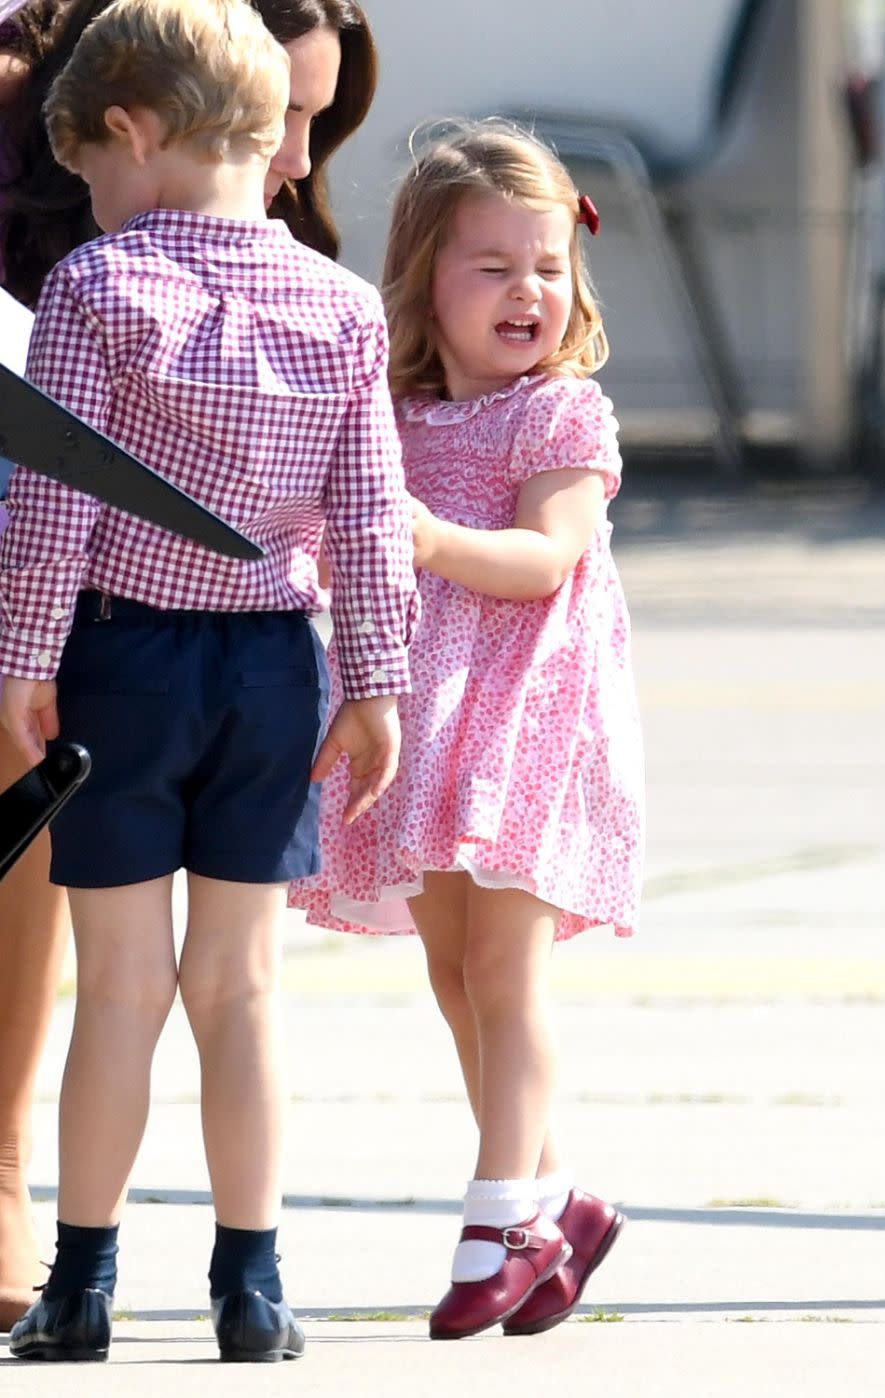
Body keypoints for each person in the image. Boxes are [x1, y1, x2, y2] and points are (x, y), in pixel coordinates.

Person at [0, 0, 416, 1363]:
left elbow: (52, 512)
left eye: (95, 175)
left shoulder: (93, 290)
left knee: (118, 985)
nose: (98, 204)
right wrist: (378, 682)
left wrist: (17, 665)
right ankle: (253, 1287)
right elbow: (367, 514)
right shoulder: (343, 304)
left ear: (132, 128)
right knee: (241, 986)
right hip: (276, 672)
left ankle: (83, 1282)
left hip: (123, 663)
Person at [289, 120, 644, 1339]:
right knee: (456, 977)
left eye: (546, 268)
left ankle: (501, 1217)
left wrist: (419, 533)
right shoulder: (389, 412)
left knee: (508, 969)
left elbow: (547, 559)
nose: (526, 293)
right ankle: (561, 1199)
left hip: (530, 724)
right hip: (423, 723)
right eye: (491, 267)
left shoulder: (560, 418)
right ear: (424, 278)